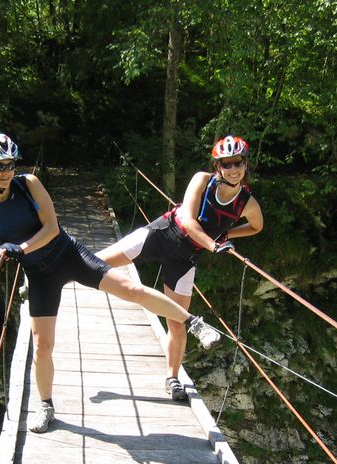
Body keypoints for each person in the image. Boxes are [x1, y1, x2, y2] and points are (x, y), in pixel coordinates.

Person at [0, 132, 220, 433]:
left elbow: (51, 228)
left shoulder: (28, 185)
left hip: (69, 255)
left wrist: (19, 248)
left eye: (10, 164)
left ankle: (193, 322)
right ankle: (46, 405)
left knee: (131, 290)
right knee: (42, 346)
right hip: (39, 274)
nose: (7, 171)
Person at [97, 135, 264, 402]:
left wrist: (227, 234)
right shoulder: (202, 180)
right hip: (163, 234)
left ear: (246, 164)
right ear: (217, 166)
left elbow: (256, 227)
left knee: (177, 321)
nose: (234, 169)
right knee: (98, 261)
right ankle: (47, 277)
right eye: (227, 164)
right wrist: (214, 244)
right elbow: (187, 220)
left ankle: (172, 379)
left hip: (186, 257)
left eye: (239, 163)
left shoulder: (247, 203)